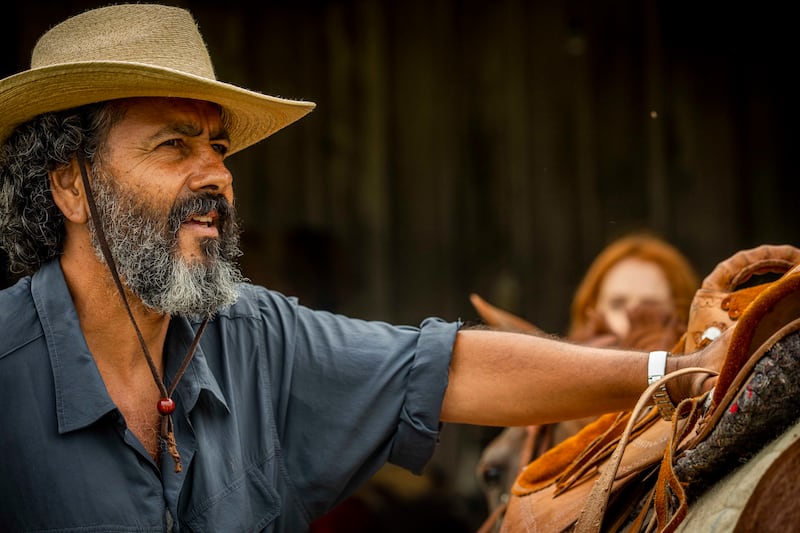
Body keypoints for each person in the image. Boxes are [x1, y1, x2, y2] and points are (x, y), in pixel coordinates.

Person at [0, 5, 727, 532]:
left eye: (218, 147)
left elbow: (450, 367)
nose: (216, 174)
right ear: (72, 186)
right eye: (174, 145)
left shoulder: (257, 334)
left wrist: (678, 368)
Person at [474, 233, 699, 515]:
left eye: (650, 307)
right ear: (592, 311)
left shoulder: (700, 397)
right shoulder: (556, 407)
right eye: (618, 304)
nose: (633, 316)